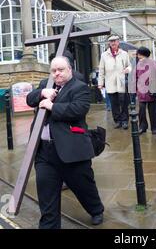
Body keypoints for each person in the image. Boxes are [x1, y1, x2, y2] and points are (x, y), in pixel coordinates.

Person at [26, 56, 104, 229]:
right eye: (53, 70)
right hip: (44, 152)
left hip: (72, 149)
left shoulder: (79, 87)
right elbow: (29, 99)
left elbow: (78, 109)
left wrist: (52, 106)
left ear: (70, 69)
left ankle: (96, 209)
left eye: (61, 70)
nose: (57, 74)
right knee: (47, 195)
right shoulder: (46, 84)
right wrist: (41, 94)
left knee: (84, 186)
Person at [98, 35, 131, 129]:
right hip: (110, 82)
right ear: (109, 43)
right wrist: (100, 83)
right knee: (114, 103)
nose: (113, 43)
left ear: (118, 42)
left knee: (124, 102)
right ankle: (117, 120)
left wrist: (128, 69)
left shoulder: (124, 53)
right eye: (111, 41)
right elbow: (101, 70)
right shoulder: (104, 55)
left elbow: (129, 65)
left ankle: (125, 121)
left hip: (121, 82)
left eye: (115, 41)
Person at [133, 46, 156, 135]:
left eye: (139, 55)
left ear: (144, 55)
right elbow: (136, 77)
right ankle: (142, 127)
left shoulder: (153, 63)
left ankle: (155, 128)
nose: (138, 56)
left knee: (153, 111)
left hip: (151, 91)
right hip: (141, 92)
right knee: (141, 111)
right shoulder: (138, 64)